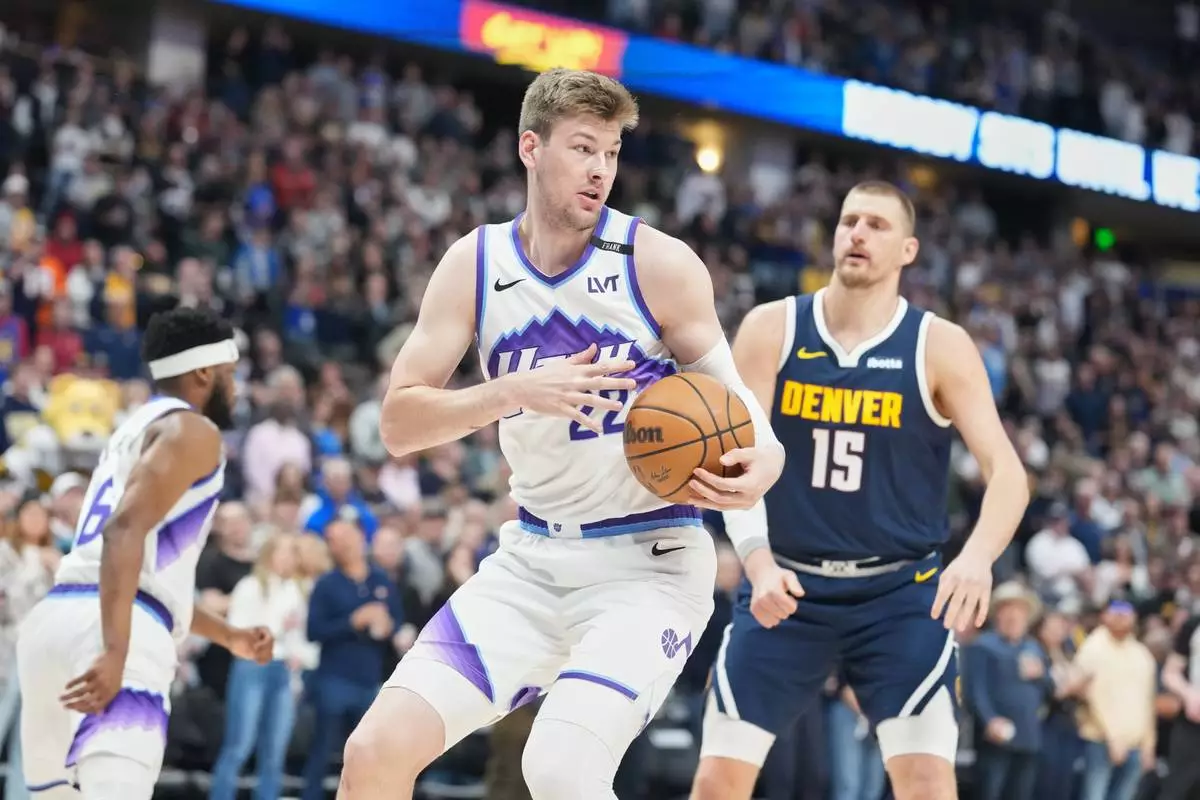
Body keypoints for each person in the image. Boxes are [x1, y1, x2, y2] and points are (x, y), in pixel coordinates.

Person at [337, 68, 785, 800]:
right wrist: (512, 392)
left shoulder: (658, 264)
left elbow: (744, 424)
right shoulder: (474, 264)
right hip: (531, 560)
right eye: (582, 149)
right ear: (530, 148)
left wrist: (766, 474)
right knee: (373, 753)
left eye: (611, 153)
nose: (600, 170)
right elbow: (397, 425)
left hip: (648, 566)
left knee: (560, 769)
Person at [690, 181, 1029, 800]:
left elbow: (1007, 472)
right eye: (849, 221)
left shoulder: (938, 345)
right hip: (787, 582)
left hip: (899, 593)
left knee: (927, 782)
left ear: (908, 250)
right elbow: (738, 465)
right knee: (716, 782)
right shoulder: (772, 328)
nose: (858, 234)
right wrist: (756, 563)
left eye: (877, 224)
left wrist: (978, 557)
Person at [15, 307, 275, 800]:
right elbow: (124, 532)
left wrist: (229, 635)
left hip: (57, 621)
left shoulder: (131, 430)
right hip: (113, 631)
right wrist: (115, 650)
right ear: (204, 372)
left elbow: (139, 571)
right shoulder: (193, 431)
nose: (237, 387)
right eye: (231, 373)